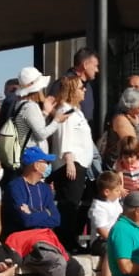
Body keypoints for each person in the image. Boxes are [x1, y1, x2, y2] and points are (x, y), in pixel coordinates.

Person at [0, 147, 81, 276]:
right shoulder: (15, 186)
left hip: (44, 237)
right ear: (36, 165)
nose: (48, 166)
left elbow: (57, 219)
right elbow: (24, 221)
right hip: (21, 241)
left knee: (74, 266)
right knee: (57, 262)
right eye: (45, 162)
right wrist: (43, 214)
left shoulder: (45, 189)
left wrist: (35, 214)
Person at [50, 74, 95, 246]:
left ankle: (72, 239)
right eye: (80, 88)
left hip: (82, 163)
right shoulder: (65, 110)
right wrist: (68, 160)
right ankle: (65, 242)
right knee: (69, 204)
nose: (84, 90)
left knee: (77, 204)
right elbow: (65, 137)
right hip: (71, 163)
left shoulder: (77, 112)